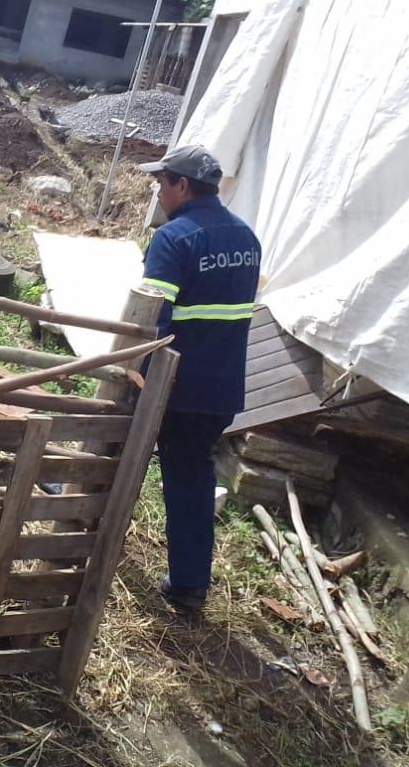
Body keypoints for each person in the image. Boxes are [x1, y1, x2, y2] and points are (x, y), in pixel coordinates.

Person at [137, 145, 261, 614]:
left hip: (174, 384)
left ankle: (75, 513)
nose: (158, 190)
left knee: (119, 442)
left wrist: (137, 381)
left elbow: (152, 321)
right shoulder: (247, 239)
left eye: (162, 183)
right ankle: (189, 583)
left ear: (182, 186)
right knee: (191, 475)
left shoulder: (175, 239)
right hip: (221, 387)